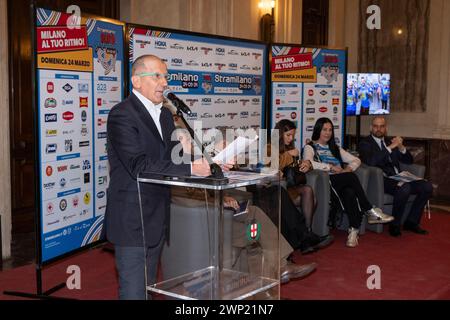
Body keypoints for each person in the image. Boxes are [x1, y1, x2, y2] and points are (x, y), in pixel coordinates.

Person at [105, 54, 214, 300]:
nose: (164, 83)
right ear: (136, 81)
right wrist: (191, 169)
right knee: (134, 292)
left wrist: (209, 163)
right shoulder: (121, 114)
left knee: (149, 288)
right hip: (132, 219)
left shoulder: (165, 115)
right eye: (157, 76)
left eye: (165, 76)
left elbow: (170, 160)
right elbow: (139, 165)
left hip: (157, 216)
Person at [174, 127, 317, 283]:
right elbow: (190, 197)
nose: (190, 143)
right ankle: (280, 268)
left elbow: (206, 189)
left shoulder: (194, 163)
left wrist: (225, 195)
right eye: (186, 140)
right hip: (207, 221)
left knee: (254, 214)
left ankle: (276, 273)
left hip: (218, 212)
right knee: (254, 233)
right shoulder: (177, 168)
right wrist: (220, 200)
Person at [303, 117, 393, 248]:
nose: (327, 133)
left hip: (342, 180)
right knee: (350, 178)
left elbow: (356, 160)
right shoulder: (310, 147)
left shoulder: (335, 148)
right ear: (318, 130)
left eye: (330, 130)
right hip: (326, 182)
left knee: (350, 192)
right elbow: (309, 163)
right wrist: (330, 167)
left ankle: (353, 230)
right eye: (324, 130)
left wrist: (348, 168)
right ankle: (369, 209)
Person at [358, 116, 432, 237]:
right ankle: (395, 225)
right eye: (376, 126)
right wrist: (390, 148)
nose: (378, 129)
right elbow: (371, 161)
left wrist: (401, 147)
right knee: (404, 188)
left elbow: (408, 161)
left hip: (399, 177)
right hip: (382, 180)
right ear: (371, 128)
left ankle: (411, 222)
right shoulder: (365, 143)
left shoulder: (390, 141)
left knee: (427, 186)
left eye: (382, 126)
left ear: (385, 128)